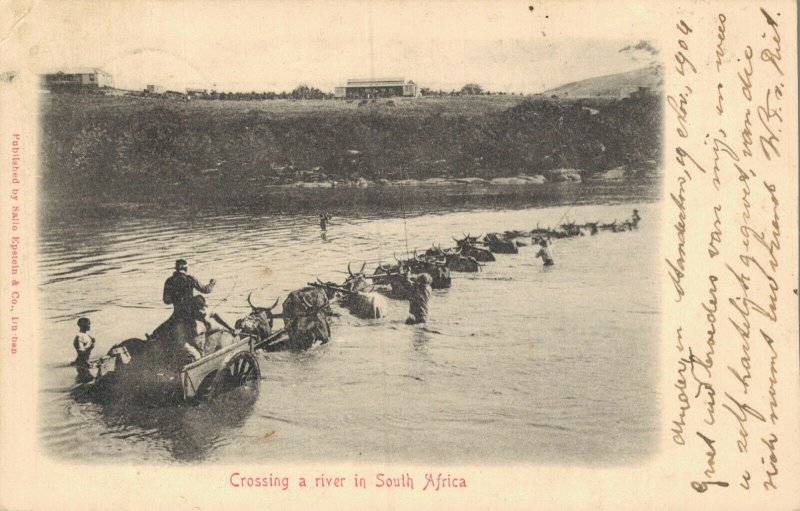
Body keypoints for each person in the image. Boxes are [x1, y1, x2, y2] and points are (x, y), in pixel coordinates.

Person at [73, 317, 96, 383]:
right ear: (83, 325)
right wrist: (90, 347)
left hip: (85, 362)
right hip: (82, 363)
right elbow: (81, 353)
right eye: (88, 324)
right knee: (89, 380)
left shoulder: (87, 335)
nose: (89, 326)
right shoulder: (79, 337)